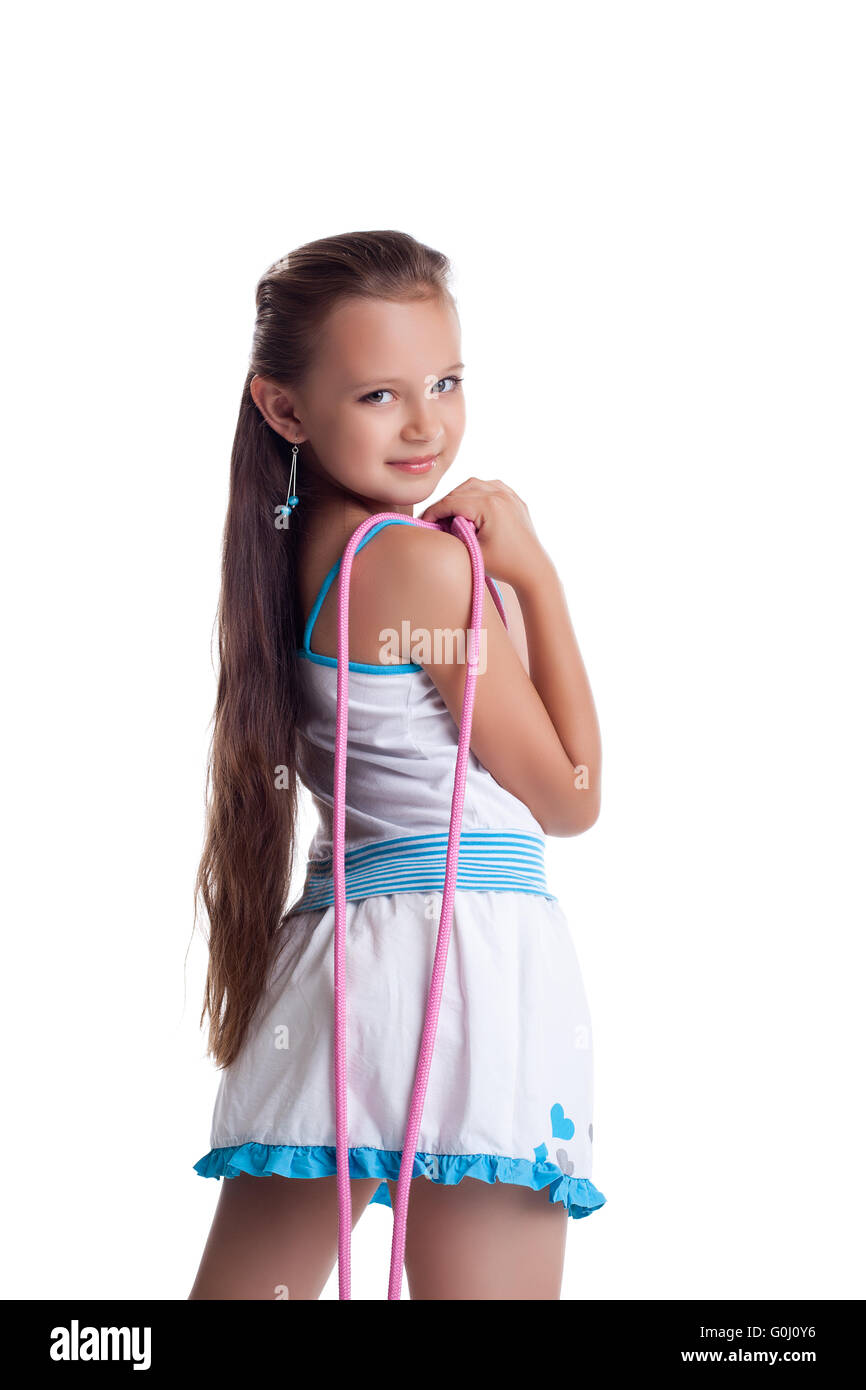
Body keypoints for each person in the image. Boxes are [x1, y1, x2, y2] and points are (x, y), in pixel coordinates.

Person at [188, 229, 606, 1301]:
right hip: (458, 966)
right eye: (378, 395)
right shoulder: (415, 568)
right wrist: (532, 571)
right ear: (284, 409)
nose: (426, 423)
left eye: (445, 381)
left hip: (358, 950)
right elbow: (567, 794)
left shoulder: (297, 559)